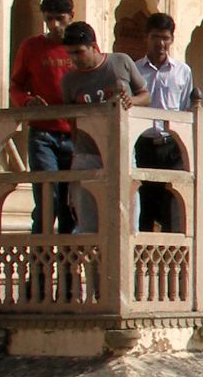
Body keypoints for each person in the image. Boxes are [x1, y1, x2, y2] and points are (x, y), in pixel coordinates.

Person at [58, 21, 147, 234]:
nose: (75, 59)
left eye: (79, 52)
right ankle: (93, 268)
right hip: (87, 154)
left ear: (94, 47)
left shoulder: (120, 63)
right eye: (70, 54)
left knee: (127, 222)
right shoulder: (70, 80)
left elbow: (146, 95)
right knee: (88, 224)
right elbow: (71, 119)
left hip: (122, 150)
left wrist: (131, 101)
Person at [8, 0, 77, 234]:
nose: (54, 25)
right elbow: (16, 85)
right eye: (49, 19)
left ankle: (68, 270)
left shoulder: (80, 45)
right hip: (43, 134)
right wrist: (27, 102)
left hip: (75, 134)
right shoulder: (32, 47)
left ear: (71, 17)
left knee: (71, 204)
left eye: (60, 18)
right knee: (48, 199)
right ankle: (41, 267)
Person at [132, 12, 195, 232]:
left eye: (165, 38)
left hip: (172, 144)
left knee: (172, 202)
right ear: (146, 38)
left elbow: (187, 108)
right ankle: (144, 261)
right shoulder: (135, 69)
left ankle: (171, 261)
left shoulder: (182, 71)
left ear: (171, 39)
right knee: (146, 202)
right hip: (145, 143)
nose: (160, 43)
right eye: (155, 37)